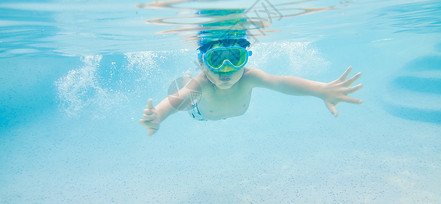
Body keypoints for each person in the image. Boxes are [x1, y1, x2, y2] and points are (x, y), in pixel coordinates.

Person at [140, 38, 363, 136]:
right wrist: (158, 114)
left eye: (234, 58)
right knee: (189, 95)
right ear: (203, 63)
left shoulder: (249, 77)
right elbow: (177, 99)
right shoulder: (203, 83)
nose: (225, 69)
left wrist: (320, 89)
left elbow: (282, 83)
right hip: (201, 114)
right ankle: (188, 75)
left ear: (246, 59)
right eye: (216, 60)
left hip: (221, 110)